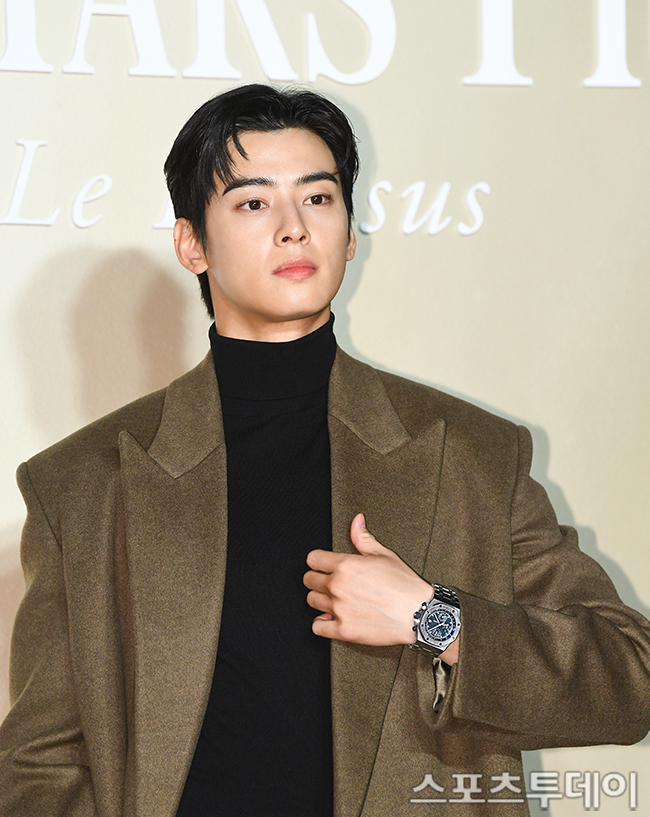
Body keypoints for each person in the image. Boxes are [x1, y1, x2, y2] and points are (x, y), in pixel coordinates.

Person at [1, 83, 649, 817]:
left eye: (318, 198)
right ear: (191, 243)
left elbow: (630, 676)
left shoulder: (472, 455)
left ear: (348, 232)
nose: (294, 228)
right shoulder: (82, 484)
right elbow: (40, 765)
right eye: (253, 203)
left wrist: (432, 618)